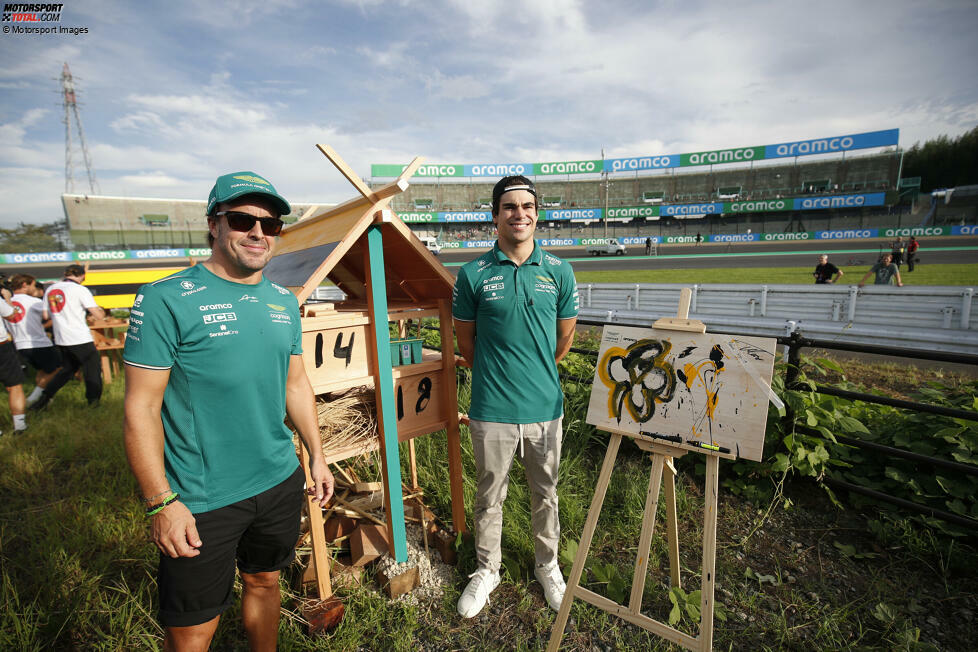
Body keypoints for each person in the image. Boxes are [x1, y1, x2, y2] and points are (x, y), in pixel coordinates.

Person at [123, 170, 334, 650]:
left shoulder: (283, 301)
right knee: (194, 625)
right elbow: (141, 407)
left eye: (271, 224)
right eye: (242, 220)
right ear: (213, 225)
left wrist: (316, 455)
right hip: (201, 498)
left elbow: (295, 384)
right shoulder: (164, 299)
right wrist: (161, 502)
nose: (259, 232)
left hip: (278, 479)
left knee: (265, 582)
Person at [452, 175, 578, 618]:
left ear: (537, 214)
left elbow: (563, 343)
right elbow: (466, 346)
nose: (519, 213)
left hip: (546, 408)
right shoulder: (472, 275)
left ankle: (548, 566)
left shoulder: (559, 271)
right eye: (509, 207)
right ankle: (488, 569)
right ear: (494, 215)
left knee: (546, 495)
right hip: (492, 409)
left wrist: (535, 373)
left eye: (527, 206)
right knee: (490, 496)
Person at [31, 264, 105, 410]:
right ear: (82, 276)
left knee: (68, 370)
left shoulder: (51, 289)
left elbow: (46, 315)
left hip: (60, 337)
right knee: (92, 368)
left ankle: (43, 400)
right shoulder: (80, 289)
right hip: (79, 336)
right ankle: (93, 402)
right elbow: (98, 315)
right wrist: (100, 312)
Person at [6, 274, 62, 407]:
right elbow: (52, 314)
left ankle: (45, 401)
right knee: (59, 368)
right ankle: (34, 398)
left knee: (43, 372)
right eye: (33, 285)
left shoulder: (8, 302)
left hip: (19, 344)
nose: (34, 288)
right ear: (25, 285)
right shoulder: (33, 302)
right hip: (38, 342)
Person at [1, 288, 27, 434]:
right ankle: (20, 426)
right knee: (14, 385)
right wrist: (8, 299)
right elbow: (12, 316)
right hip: (1, 346)